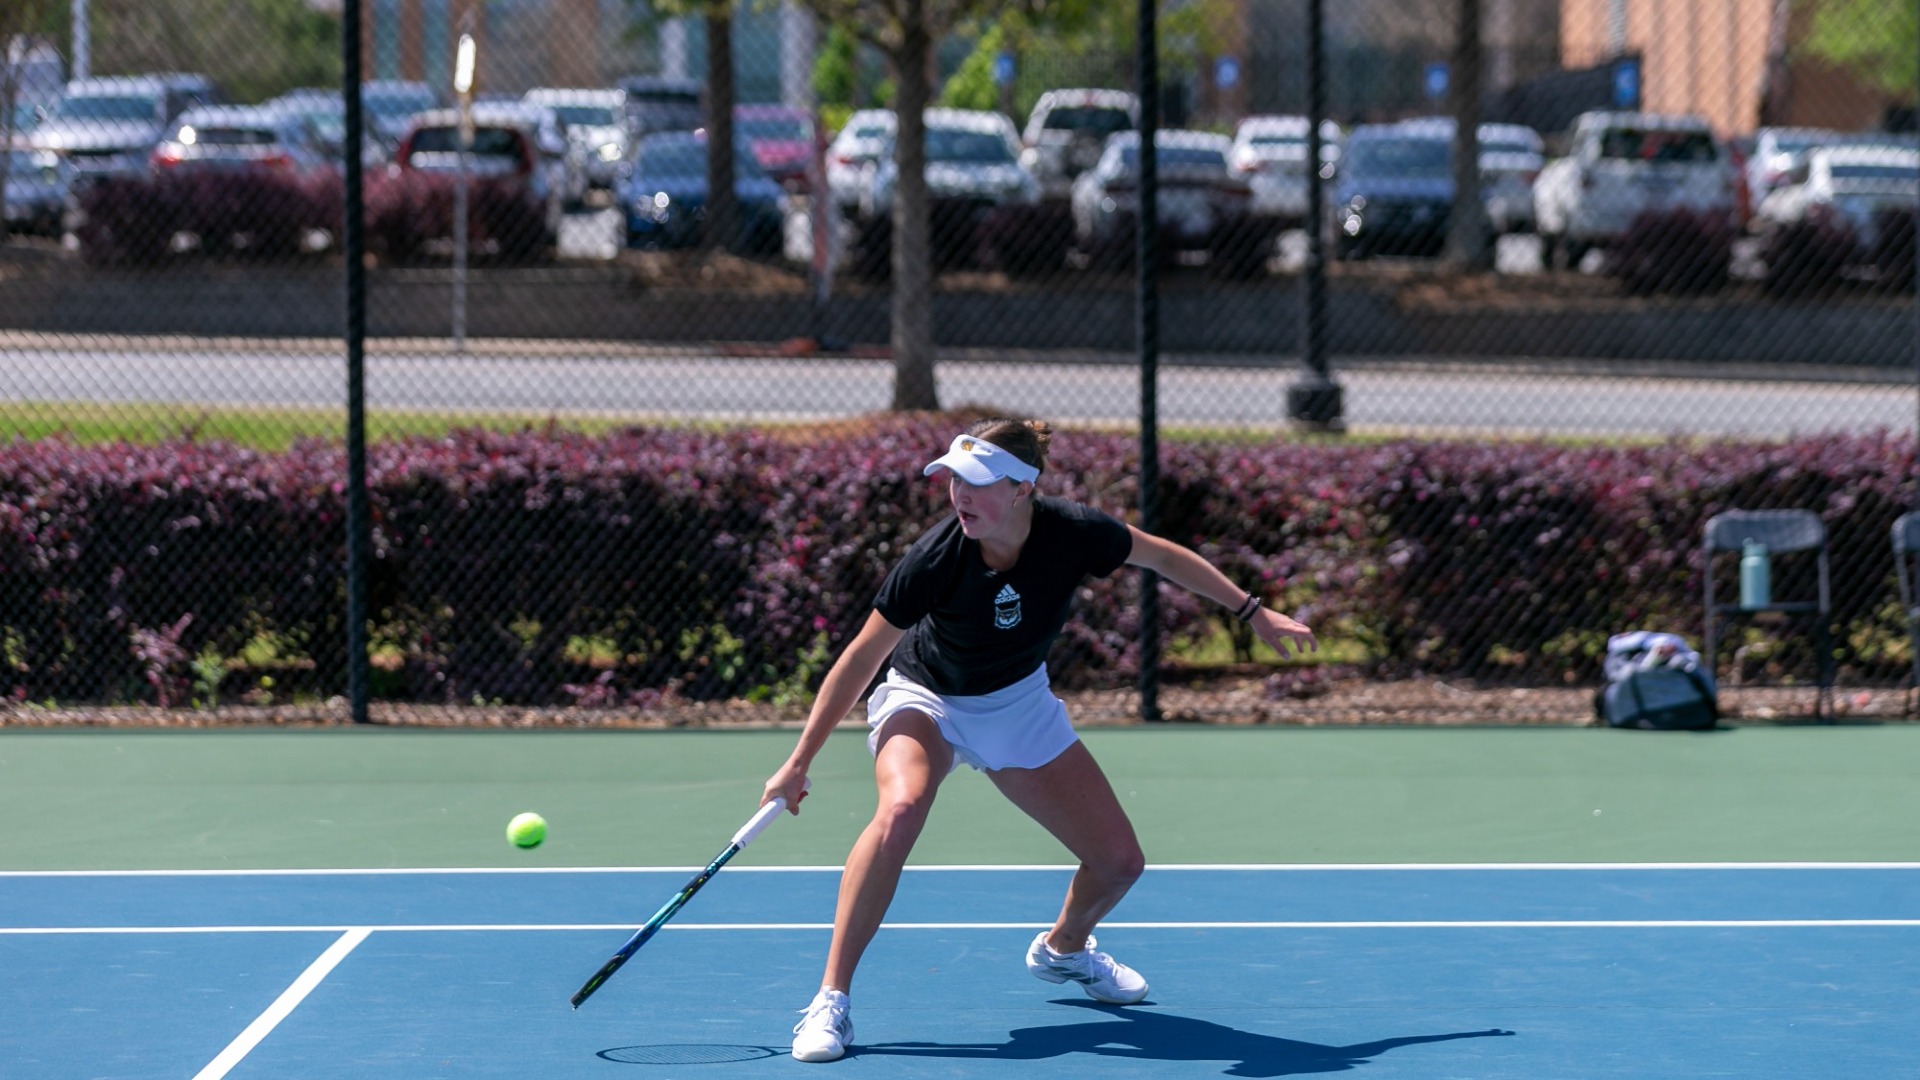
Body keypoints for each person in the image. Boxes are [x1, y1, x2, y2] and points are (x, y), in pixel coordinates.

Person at [762, 418, 1317, 1063]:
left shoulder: (1074, 532)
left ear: (1023, 489)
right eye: (951, 481)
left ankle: (1064, 950)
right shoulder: (936, 558)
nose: (958, 496)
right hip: (926, 698)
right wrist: (798, 761)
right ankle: (831, 1000)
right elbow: (861, 658)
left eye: (976, 484)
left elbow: (1161, 555)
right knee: (901, 809)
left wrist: (1253, 611)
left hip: (1017, 703)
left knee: (1120, 864)